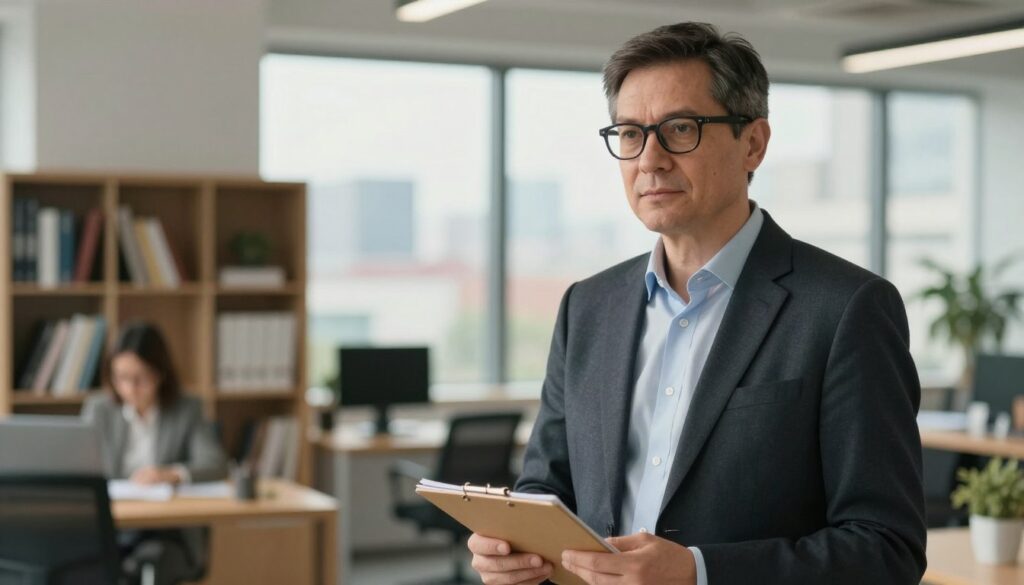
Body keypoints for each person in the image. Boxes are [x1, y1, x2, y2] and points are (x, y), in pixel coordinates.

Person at [468, 22, 926, 585]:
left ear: (753, 142)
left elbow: (885, 548)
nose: (650, 160)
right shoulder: (587, 307)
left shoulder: (846, 308)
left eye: (680, 128)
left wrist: (699, 571)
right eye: (631, 134)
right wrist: (516, 547)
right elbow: (548, 485)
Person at [82, 321, 228, 584]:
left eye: (140, 378)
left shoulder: (187, 409)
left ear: (159, 373)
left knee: (152, 563)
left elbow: (215, 463)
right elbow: (79, 464)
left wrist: (170, 474)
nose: (130, 388)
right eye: (121, 378)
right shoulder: (99, 410)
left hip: (168, 533)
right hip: (112, 527)